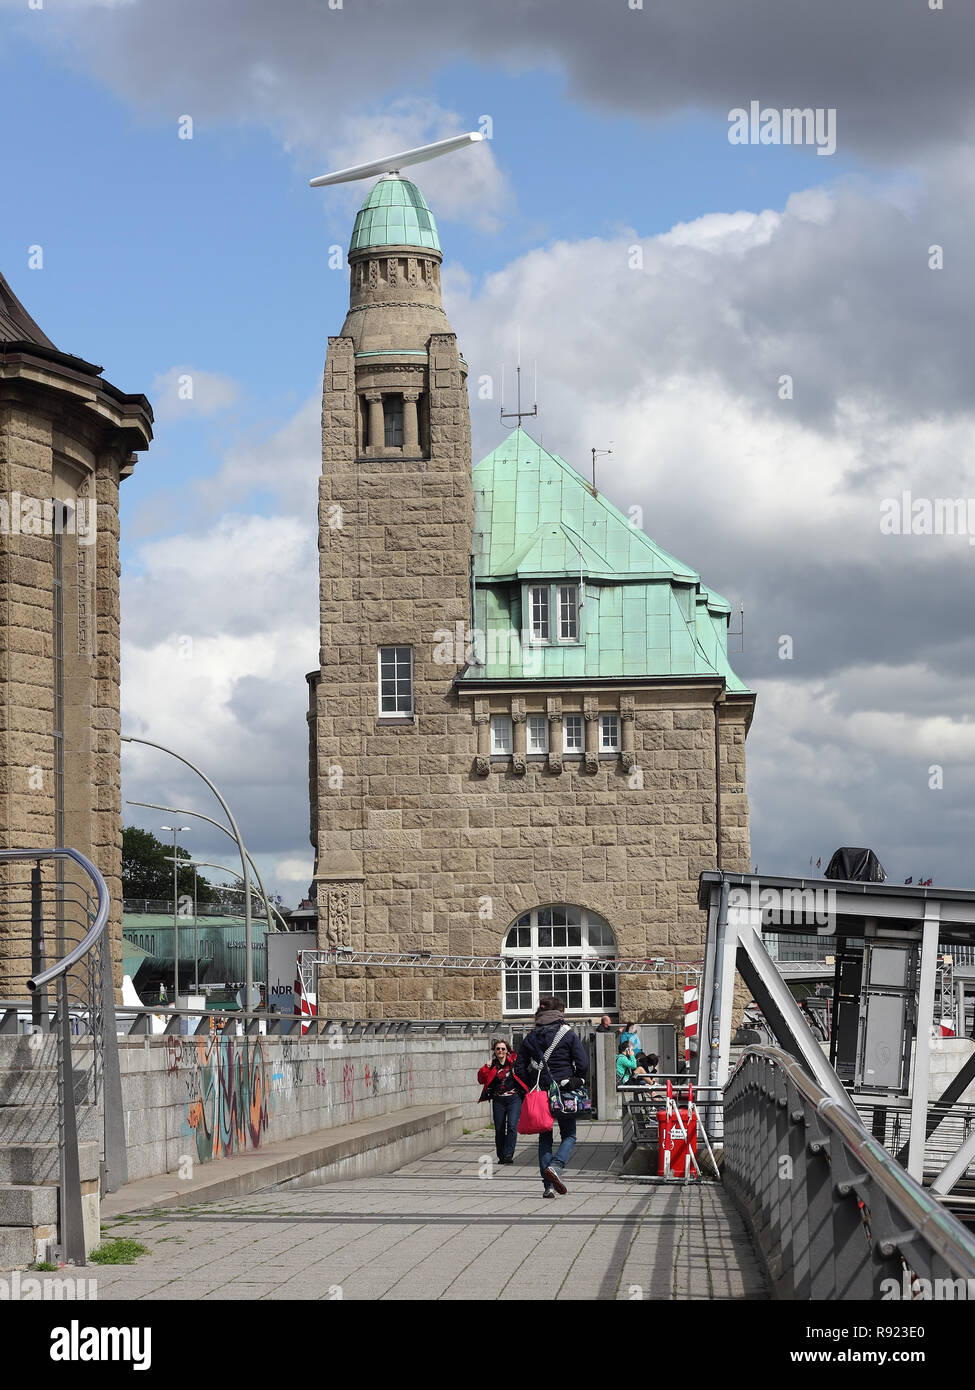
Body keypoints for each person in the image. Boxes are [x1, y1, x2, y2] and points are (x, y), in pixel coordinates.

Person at [514, 996, 589, 1198]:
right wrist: (577, 1079)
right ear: (559, 1012)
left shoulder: (530, 1037)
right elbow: (582, 1063)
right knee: (569, 1134)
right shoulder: (568, 1034)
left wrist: (531, 1085)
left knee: (545, 1135)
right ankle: (556, 1166)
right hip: (563, 1090)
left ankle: (548, 1186)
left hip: (540, 1091)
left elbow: (518, 1068)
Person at [477, 1038, 524, 1164]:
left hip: (514, 1098)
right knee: (499, 1128)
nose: (500, 1051)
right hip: (498, 1100)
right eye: (498, 1049)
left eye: (503, 1049)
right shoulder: (491, 1065)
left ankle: (508, 1155)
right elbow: (481, 1079)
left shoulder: (513, 1062)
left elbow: (523, 1073)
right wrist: (486, 1067)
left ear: (507, 1050)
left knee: (512, 1126)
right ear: (494, 1051)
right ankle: (501, 1155)